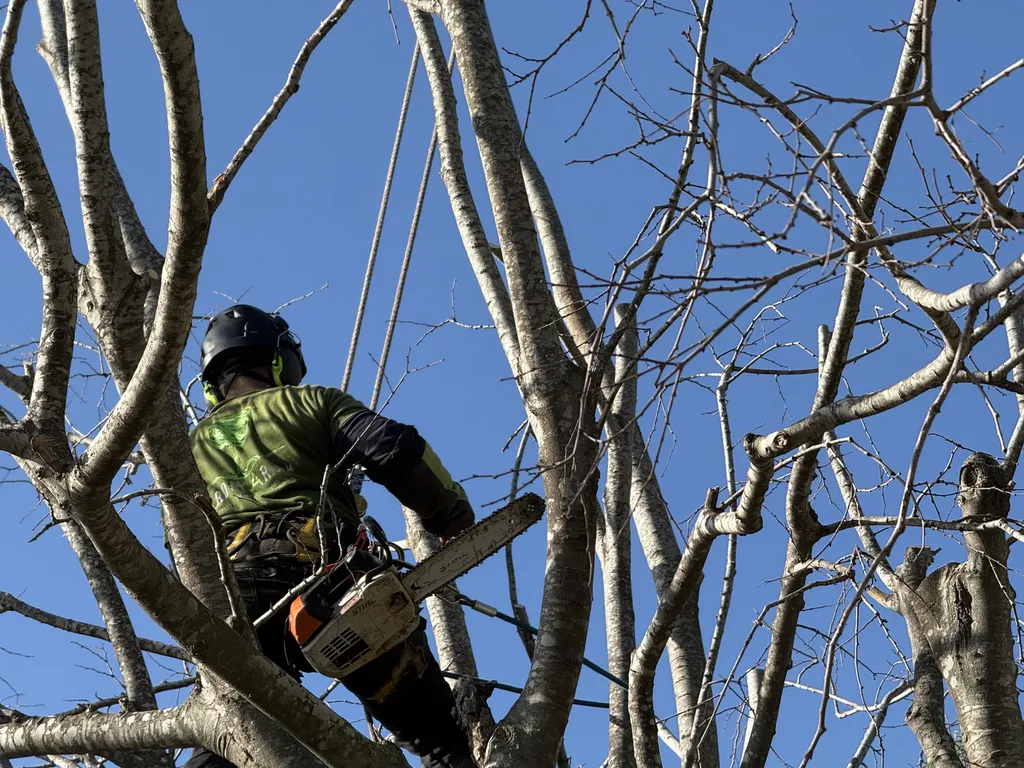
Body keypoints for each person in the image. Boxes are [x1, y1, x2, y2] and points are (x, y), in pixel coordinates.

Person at [185, 304, 476, 768]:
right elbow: (391, 448)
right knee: (439, 736)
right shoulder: (310, 402)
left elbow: (181, 541)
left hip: (230, 599)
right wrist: (450, 515)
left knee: (236, 736)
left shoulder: (186, 448)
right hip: (322, 585)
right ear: (279, 361)